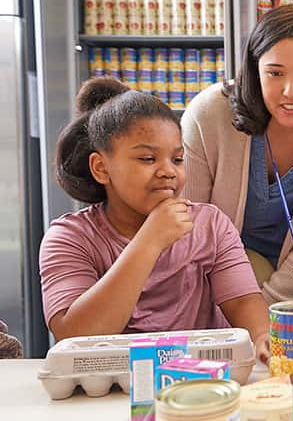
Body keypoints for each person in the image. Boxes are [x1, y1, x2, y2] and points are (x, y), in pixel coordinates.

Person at [39, 78, 267, 355]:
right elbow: (76, 336)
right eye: (147, 159)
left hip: (196, 381)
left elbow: (243, 302)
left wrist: (262, 336)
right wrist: (149, 241)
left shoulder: (210, 224)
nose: (168, 171)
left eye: (178, 159)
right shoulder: (69, 238)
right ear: (101, 168)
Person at [181, 5, 293, 307]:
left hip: (283, 286)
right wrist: (222, 313)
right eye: (275, 73)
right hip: (205, 280)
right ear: (255, 70)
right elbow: (190, 226)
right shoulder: (209, 114)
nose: (291, 91)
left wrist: (264, 311)